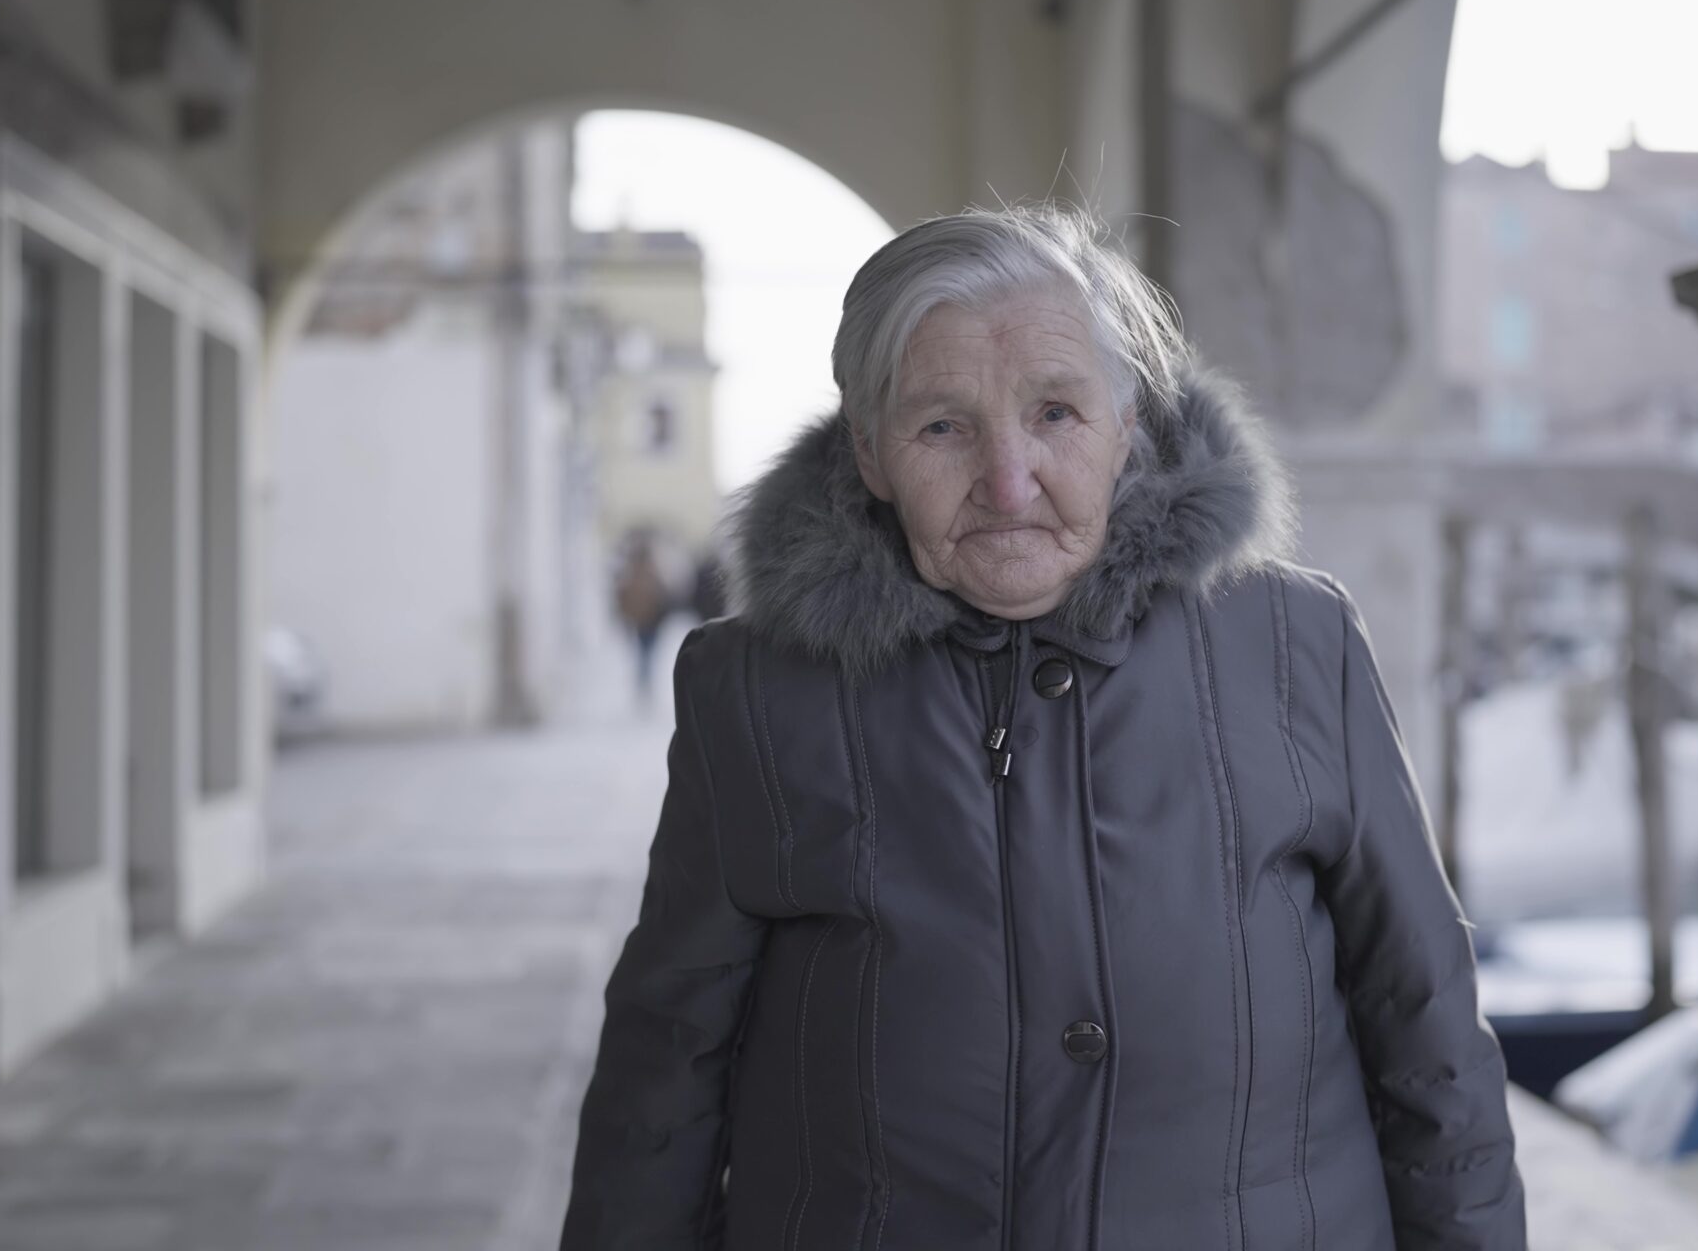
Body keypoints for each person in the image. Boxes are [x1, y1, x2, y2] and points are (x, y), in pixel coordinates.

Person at [563, 205, 1524, 1249]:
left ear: (1128, 424)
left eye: (1056, 413)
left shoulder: (1295, 642)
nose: (1009, 483)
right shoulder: (754, 690)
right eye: (943, 426)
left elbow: (1427, 1034)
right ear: (871, 452)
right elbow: (664, 1076)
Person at [610, 533, 671, 704]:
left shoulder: (632, 573)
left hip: (642, 620)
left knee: (644, 652)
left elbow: (622, 596)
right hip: (650, 620)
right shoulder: (652, 572)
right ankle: (645, 682)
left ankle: (643, 681)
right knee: (647, 652)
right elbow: (664, 594)